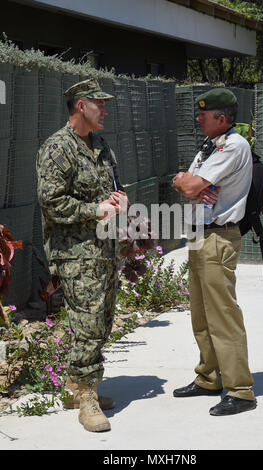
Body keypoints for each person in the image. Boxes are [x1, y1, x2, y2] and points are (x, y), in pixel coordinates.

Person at [36, 78, 128, 432]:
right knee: (87, 325)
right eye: (99, 104)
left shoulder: (101, 145)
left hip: (103, 249)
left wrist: (120, 201)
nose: (105, 110)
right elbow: (52, 202)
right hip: (74, 253)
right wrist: (96, 209)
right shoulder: (59, 147)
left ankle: (77, 384)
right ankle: (86, 396)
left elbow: (113, 188)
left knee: (102, 321)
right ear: (80, 106)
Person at [172, 88, 256, 416]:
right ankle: (209, 376)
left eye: (203, 115)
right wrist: (185, 179)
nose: (198, 119)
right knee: (201, 313)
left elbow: (191, 187)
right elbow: (183, 181)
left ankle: (240, 389)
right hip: (198, 236)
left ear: (222, 119)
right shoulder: (211, 145)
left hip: (218, 238)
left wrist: (190, 182)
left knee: (223, 314)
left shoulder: (234, 145)